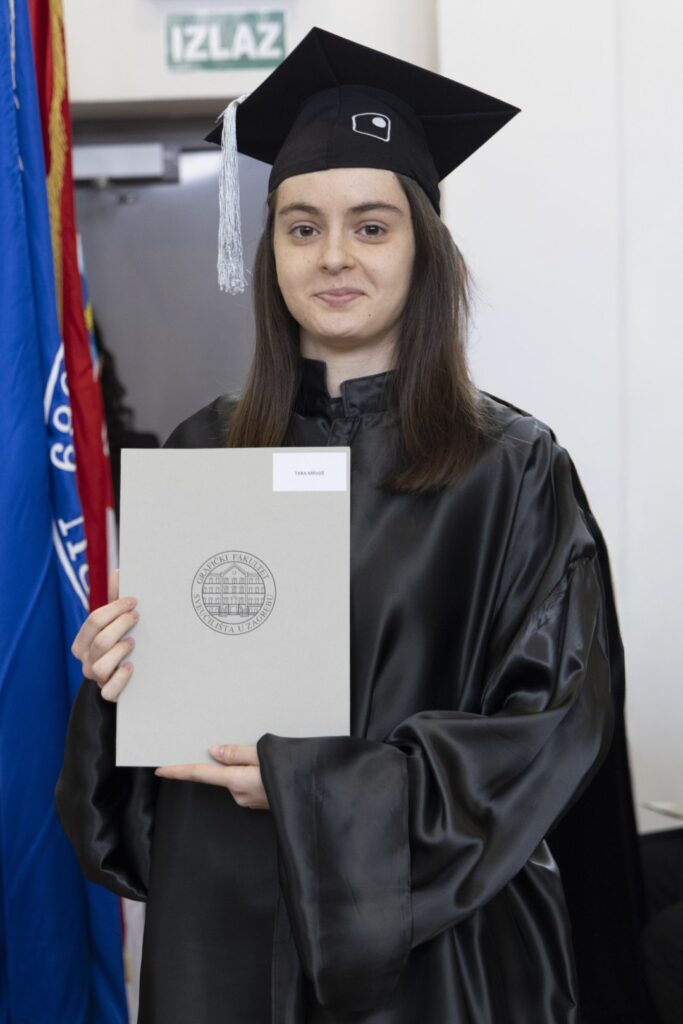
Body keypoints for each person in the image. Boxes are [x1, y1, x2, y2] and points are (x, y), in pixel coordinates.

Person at [55, 27, 648, 1024]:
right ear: (271, 253)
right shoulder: (204, 451)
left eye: (370, 226)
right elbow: (136, 800)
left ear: (423, 249)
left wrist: (314, 787)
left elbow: (548, 731)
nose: (332, 256)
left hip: (435, 953)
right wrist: (120, 684)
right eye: (301, 228)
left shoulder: (508, 469)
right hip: (225, 928)